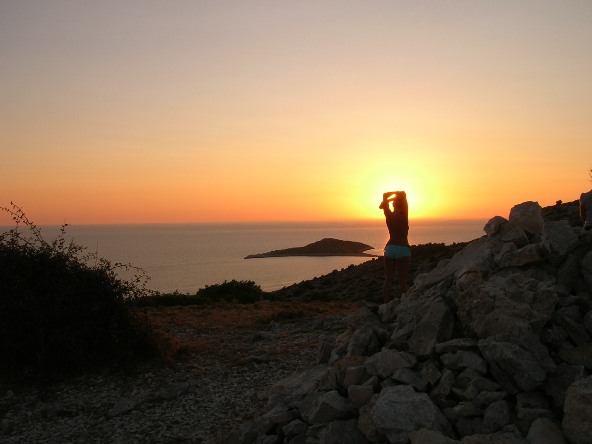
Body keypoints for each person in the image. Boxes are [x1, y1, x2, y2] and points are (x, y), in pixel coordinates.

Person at [380, 191, 410, 303]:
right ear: (402, 204)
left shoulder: (388, 214)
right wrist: (396, 196)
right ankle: (405, 305)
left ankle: (385, 304)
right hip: (402, 248)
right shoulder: (404, 214)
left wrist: (388, 200)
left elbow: (384, 195)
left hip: (390, 249)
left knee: (388, 279)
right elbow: (403, 194)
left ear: (393, 205)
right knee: (403, 281)